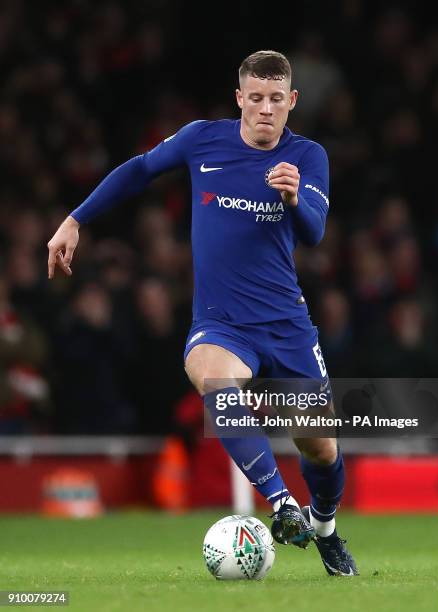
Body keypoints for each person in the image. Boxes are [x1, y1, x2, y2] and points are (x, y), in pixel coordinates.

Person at [47, 50, 358, 576]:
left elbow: (314, 232)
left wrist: (292, 198)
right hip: (221, 322)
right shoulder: (202, 140)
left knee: (322, 449)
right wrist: (76, 219)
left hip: (285, 325)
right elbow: (139, 171)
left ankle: (325, 529)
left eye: (275, 100)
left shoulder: (308, 158)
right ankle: (282, 503)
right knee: (215, 383)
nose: (265, 109)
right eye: (255, 98)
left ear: (292, 102)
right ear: (240, 98)